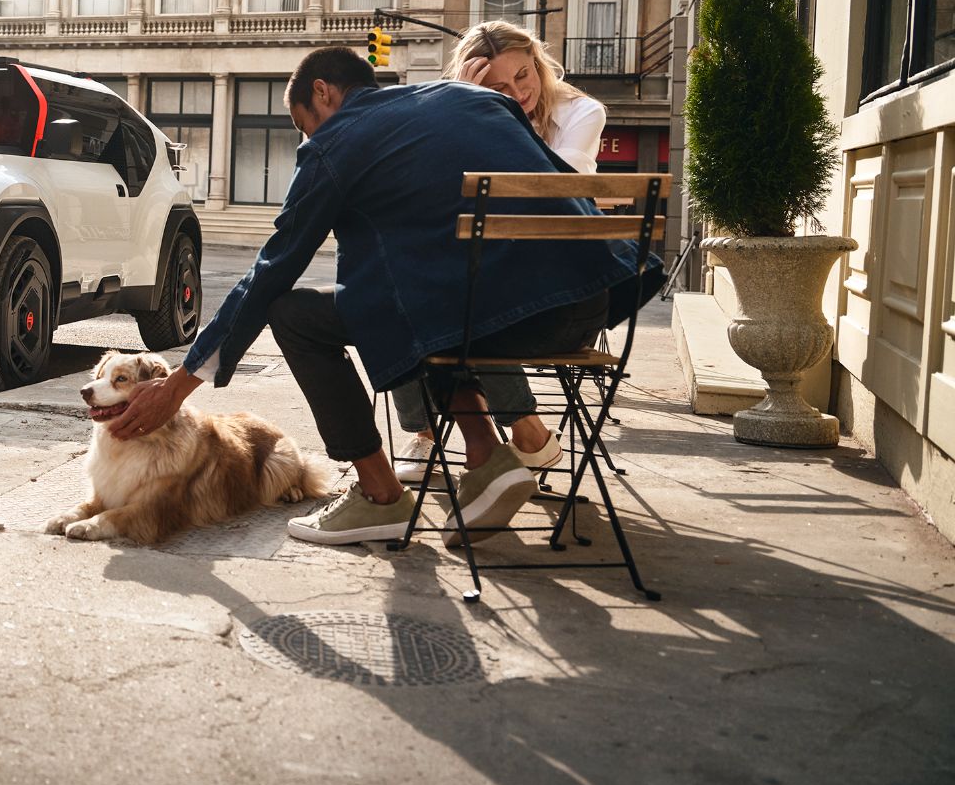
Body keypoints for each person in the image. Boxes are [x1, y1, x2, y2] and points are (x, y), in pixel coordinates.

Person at [104, 45, 655, 546]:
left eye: (304, 125)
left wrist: (178, 386)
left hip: (494, 322)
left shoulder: (337, 144)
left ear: (323, 92)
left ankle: (380, 494)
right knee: (413, 285)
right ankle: (487, 458)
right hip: (588, 305)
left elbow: (271, 271)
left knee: (295, 311)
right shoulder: (473, 98)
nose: (308, 141)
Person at [387, 20, 609, 480]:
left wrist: (485, 118)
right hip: (489, 278)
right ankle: (453, 431)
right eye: (498, 87)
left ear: (537, 62)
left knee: (459, 291)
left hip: (560, 290)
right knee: (402, 285)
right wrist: (460, 108)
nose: (517, 92)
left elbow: (551, 189)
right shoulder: (470, 112)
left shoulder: (582, 113)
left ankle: (496, 432)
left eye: (523, 76)